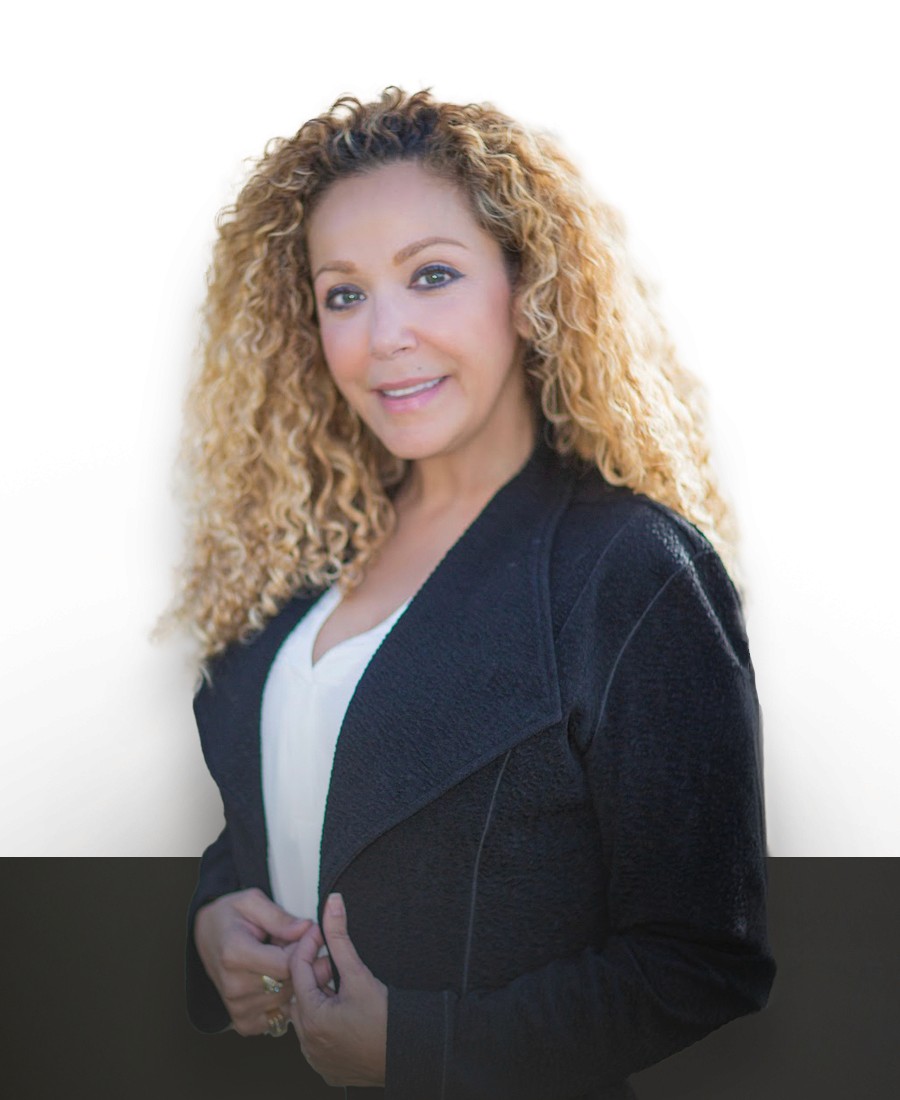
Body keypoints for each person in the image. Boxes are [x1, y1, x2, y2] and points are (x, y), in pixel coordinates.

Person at [171, 87, 775, 1098]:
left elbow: (704, 955)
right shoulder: (301, 567)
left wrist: (424, 1046)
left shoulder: (627, 569)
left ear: (527, 289)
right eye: (345, 293)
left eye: (433, 275)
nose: (385, 334)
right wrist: (212, 923)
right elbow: (294, 808)